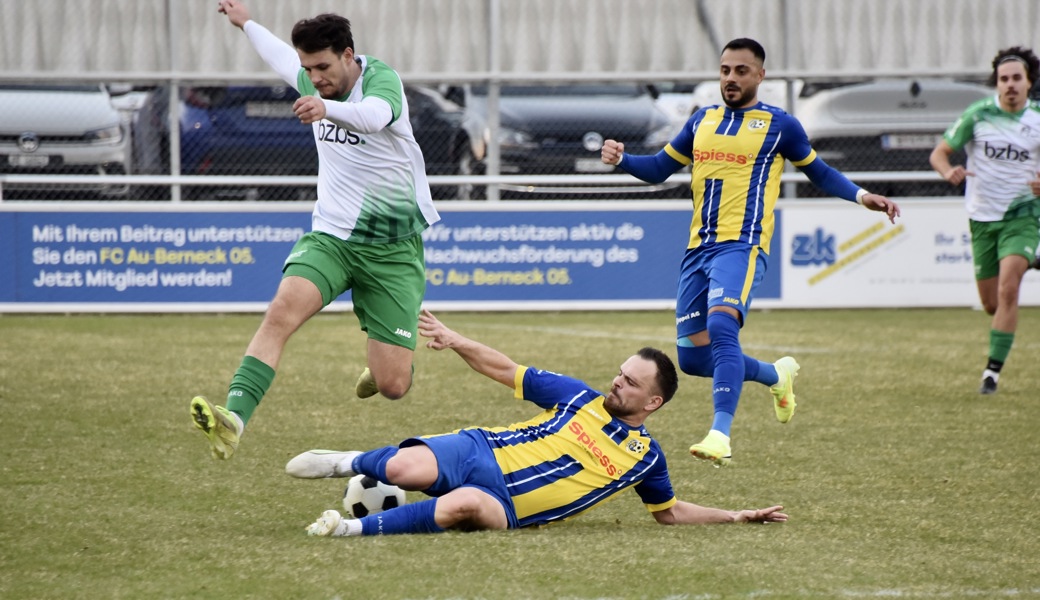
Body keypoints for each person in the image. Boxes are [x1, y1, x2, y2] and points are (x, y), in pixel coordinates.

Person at [600, 38, 901, 466]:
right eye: (725, 70)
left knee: (723, 328)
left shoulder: (780, 125)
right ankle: (776, 375)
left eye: (741, 71)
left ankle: (720, 434)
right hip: (698, 251)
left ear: (760, 76)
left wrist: (862, 195)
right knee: (693, 359)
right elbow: (659, 169)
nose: (731, 78)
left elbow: (820, 172)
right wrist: (624, 159)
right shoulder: (701, 120)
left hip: (742, 247)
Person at [191, 0, 441, 460]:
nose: (314, 75)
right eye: (309, 68)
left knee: (392, 386)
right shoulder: (310, 76)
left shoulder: (381, 81)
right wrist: (245, 22)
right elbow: (281, 58)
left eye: (323, 66)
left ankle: (391, 359)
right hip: (332, 238)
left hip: (391, 247)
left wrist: (324, 106)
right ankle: (233, 420)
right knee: (280, 313)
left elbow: (373, 116)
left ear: (349, 54)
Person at [284, 309, 788, 537]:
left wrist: (736, 515)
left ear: (653, 402)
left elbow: (670, 513)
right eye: (619, 373)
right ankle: (345, 462)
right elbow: (505, 368)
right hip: (480, 449)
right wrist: (454, 339)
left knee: (460, 504)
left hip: (505, 505)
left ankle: (347, 529)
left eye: (630, 383)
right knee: (402, 471)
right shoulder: (578, 397)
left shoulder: (645, 458)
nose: (616, 383)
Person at [929, 46, 1040, 395]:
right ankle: (1030, 260)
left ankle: (991, 373)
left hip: (1023, 215)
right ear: (997, 83)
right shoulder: (978, 116)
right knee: (992, 303)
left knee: (1009, 290)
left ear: (1029, 83)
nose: (1010, 85)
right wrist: (949, 171)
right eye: (1004, 79)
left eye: (1016, 79)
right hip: (982, 219)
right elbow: (939, 153)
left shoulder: (1037, 120)